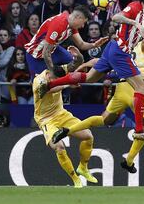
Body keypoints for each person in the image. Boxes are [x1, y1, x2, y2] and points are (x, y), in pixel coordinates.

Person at [38, 0, 144, 142]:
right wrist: (134, 23)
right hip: (120, 52)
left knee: (90, 78)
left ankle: (49, 85)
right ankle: (138, 130)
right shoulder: (135, 7)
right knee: (142, 87)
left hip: (113, 49)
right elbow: (116, 18)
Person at [52, 32, 144, 173]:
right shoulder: (143, 44)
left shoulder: (123, 51)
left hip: (121, 88)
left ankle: (68, 130)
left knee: (104, 119)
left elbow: (100, 62)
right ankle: (129, 161)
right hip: (138, 89)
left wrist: (86, 63)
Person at [32, 46, 97, 188]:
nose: (58, 80)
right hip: (46, 119)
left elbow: (76, 65)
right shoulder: (39, 81)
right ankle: (75, 179)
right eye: (57, 79)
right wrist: (68, 84)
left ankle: (83, 168)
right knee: (59, 147)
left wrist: (78, 55)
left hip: (61, 113)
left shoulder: (59, 70)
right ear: (49, 75)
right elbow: (49, 89)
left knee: (88, 136)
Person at [25, 5, 108, 78]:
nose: (82, 26)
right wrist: (53, 70)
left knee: (78, 61)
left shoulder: (71, 25)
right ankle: (62, 82)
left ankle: (67, 84)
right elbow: (46, 52)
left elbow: (81, 44)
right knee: (42, 84)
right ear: (78, 17)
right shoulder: (59, 24)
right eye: (84, 23)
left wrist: (95, 44)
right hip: (35, 55)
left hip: (52, 50)